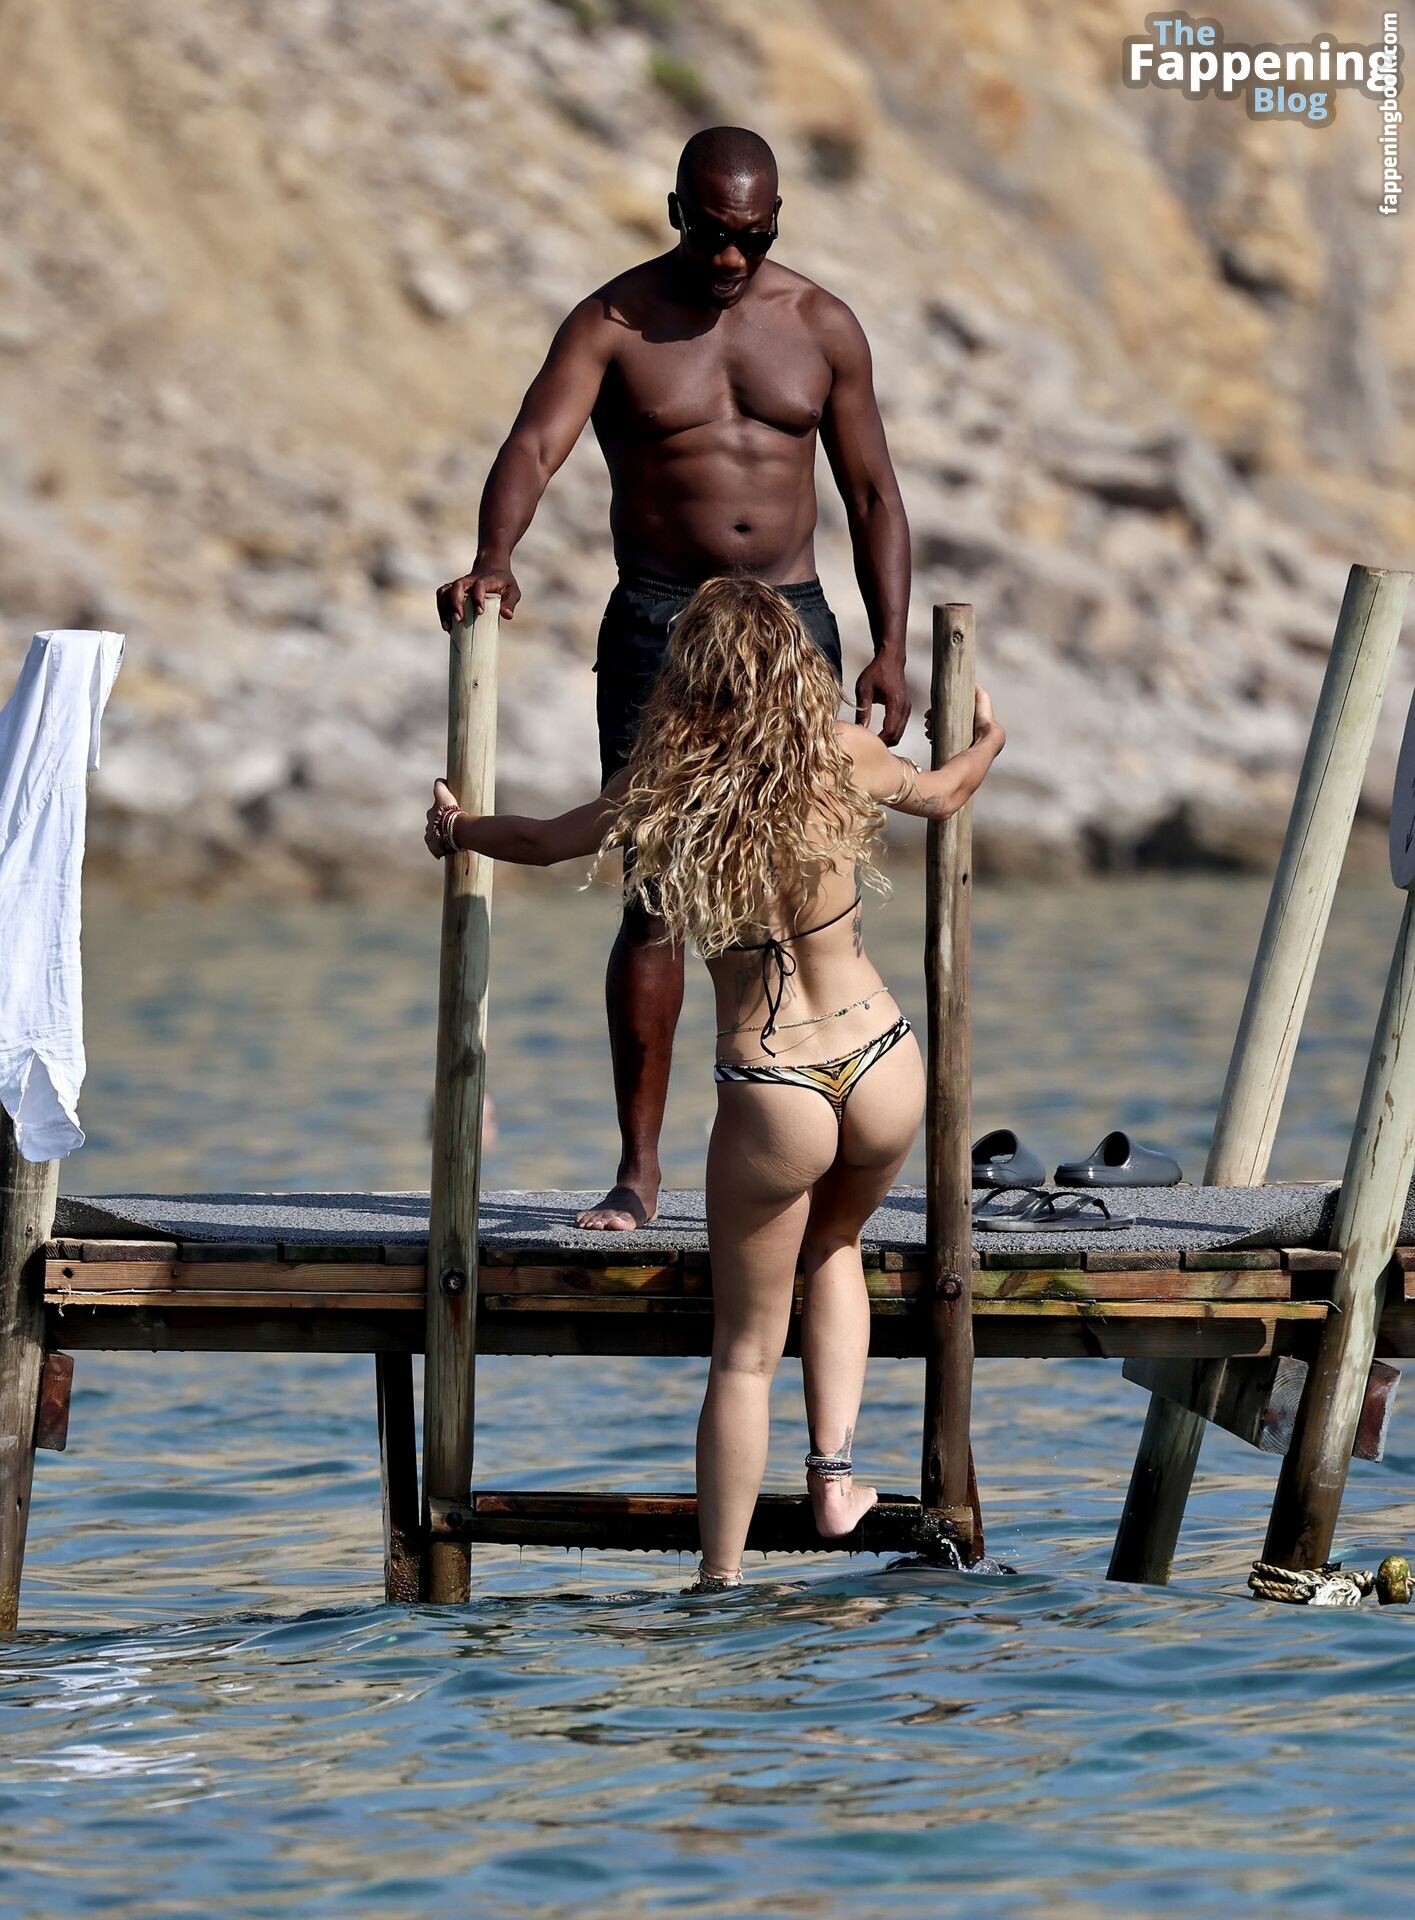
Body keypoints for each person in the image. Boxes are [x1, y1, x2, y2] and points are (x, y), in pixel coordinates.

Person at [424, 578, 1003, 1592]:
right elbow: (945, 791)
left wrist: (458, 829)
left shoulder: (664, 786)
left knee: (743, 1352)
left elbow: (540, 842)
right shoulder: (841, 754)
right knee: (836, 1246)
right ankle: (833, 1483)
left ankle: (720, 1581)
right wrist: (988, 739)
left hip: (774, 1082)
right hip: (881, 1058)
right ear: (793, 666)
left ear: (688, 676)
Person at [436, 124, 912, 1233]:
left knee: (800, 880)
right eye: (711, 234)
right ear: (675, 214)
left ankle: (802, 1130)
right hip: (662, 623)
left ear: (777, 221)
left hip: (789, 625)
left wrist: (890, 645)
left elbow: (872, 493)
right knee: (652, 893)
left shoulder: (821, 324)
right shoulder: (613, 322)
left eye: (753, 237)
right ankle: (639, 1172)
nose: (731, 258)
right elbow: (534, 445)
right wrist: (495, 556)